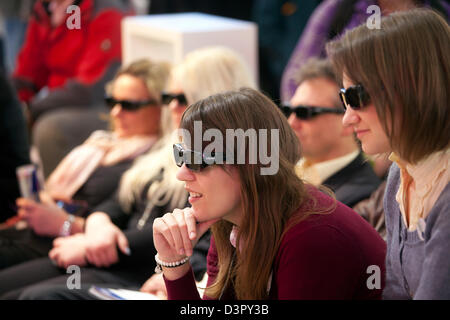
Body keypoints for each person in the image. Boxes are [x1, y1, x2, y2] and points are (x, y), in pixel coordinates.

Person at [0, 46, 257, 300]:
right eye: (169, 98)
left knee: (32, 296)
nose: (173, 108)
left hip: (135, 267)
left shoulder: (221, 166)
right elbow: (118, 203)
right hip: (104, 249)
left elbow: (195, 240)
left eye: (184, 99)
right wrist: (97, 224)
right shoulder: (162, 150)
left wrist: (82, 233)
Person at [152, 87, 386, 300]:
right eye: (181, 155)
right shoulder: (233, 222)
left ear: (249, 164)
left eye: (195, 160)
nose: (181, 174)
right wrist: (174, 263)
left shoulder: (312, 236)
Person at [0, 58, 170, 270]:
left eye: (129, 105)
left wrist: (63, 224)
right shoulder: (103, 142)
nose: (116, 112)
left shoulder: (151, 164)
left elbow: (121, 236)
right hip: (39, 233)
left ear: (162, 108)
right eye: (112, 102)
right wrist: (45, 204)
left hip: (68, 249)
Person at [326, 8, 449, 299]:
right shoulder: (400, 171)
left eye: (356, 97)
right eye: (344, 99)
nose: (347, 118)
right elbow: (394, 290)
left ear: (412, 88)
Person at [11, 0, 132, 177]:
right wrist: (16, 102)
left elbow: (88, 89)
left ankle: (60, 198)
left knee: (49, 128)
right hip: (60, 99)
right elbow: (28, 72)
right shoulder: (44, 8)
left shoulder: (107, 11)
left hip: (102, 105)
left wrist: (31, 110)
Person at [280, 0, 450, 101]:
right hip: (346, 122)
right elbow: (295, 78)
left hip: (419, 123)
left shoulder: (439, 11)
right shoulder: (339, 8)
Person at [282, 57, 380, 208]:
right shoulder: (284, 173)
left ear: (347, 120)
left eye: (305, 112)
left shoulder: (362, 197)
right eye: (288, 110)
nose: (291, 123)